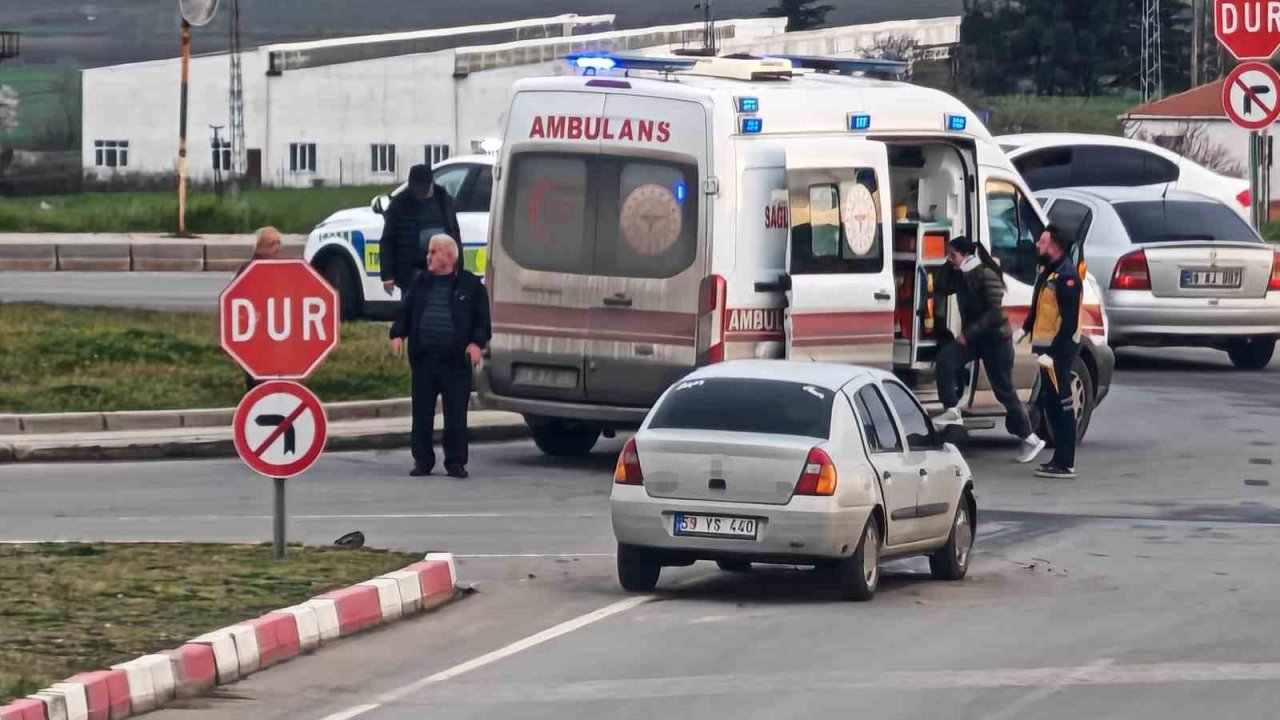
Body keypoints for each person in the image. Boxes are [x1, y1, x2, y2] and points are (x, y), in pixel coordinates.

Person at [933, 236, 1045, 464]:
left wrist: (969, 333)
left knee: (1003, 391)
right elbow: (941, 287)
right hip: (976, 339)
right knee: (946, 360)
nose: (950, 258)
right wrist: (950, 264)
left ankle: (1031, 437)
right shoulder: (962, 273)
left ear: (965, 255)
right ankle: (952, 409)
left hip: (995, 340)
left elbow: (995, 313)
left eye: (952, 254)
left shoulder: (985, 274)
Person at [388, 234, 491, 479]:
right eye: (429, 252)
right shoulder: (420, 282)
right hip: (424, 360)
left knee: (455, 414)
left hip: (455, 363)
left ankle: (455, 461)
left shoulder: (470, 286)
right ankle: (422, 460)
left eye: (434, 252)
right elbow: (405, 312)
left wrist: (476, 344)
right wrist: (397, 335)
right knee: (421, 413)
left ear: (449, 257)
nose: (429, 256)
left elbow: (482, 322)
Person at [1019, 225, 1082, 479]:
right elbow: (1039, 306)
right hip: (1046, 350)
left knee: (1061, 405)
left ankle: (1066, 462)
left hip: (1058, 352)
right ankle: (1058, 460)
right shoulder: (1050, 272)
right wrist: (1024, 328)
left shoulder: (1067, 277)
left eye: (1042, 241)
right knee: (1052, 406)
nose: (1037, 244)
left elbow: (1068, 323)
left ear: (1055, 246)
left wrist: (1054, 353)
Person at [379, 164, 462, 295]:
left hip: (442, 271)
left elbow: (455, 234)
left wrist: (458, 268)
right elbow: (388, 241)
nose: (419, 194)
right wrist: (387, 276)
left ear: (431, 184)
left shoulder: (443, 200)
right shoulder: (399, 204)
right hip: (411, 272)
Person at [237, 227, 283, 392]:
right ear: (260, 247)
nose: (277, 247)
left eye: (279, 243)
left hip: (278, 334)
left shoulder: (284, 269)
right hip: (256, 335)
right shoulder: (248, 270)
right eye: (272, 244)